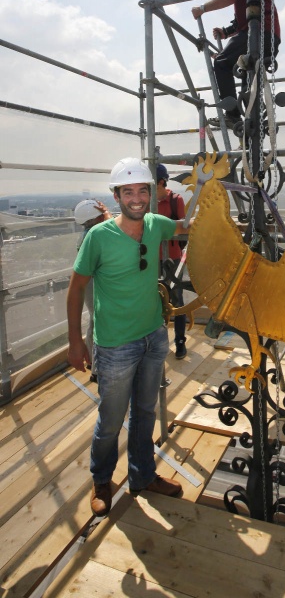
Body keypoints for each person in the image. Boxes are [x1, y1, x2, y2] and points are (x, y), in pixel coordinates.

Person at [67, 157, 190, 517]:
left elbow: (185, 226)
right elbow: (75, 291)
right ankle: (102, 480)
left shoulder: (155, 225)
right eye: (128, 191)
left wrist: (212, 202)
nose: (136, 198)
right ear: (117, 196)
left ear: (151, 193)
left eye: (142, 190)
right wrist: (76, 342)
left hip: (152, 335)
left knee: (145, 412)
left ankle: (142, 476)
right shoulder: (98, 237)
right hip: (115, 344)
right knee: (111, 418)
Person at [191, 0, 281, 130]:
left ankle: (232, 115)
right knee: (248, 92)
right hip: (265, 34)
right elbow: (241, 19)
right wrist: (225, 32)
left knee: (222, 63)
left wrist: (202, 9)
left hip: (259, 32)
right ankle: (250, 126)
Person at [73, 198, 112, 382]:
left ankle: (93, 364)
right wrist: (108, 215)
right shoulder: (94, 235)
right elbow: (114, 231)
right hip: (94, 283)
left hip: (90, 282)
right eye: (99, 216)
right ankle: (97, 369)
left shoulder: (86, 234)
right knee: (97, 321)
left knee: (94, 320)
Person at [156, 163, 187, 359]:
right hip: (152, 257)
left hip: (173, 257)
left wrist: (161, 229)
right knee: (155, 300)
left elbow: (183, 229)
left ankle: (180, 341)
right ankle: (159, 343)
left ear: (161, 182)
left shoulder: (176, 200)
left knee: (176, 299)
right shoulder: (147, 201)